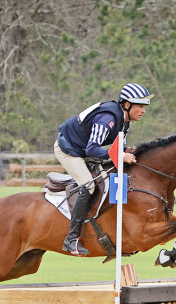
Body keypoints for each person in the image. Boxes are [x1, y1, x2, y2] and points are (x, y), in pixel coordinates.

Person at [55, 82, 154, 256]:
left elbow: (118, 149)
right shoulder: (107, 118)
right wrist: (122, 156)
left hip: (83, 149)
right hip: (69, 150)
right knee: (89, 185)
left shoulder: (125, 122)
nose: (144, 111)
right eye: (140, 106)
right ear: (127, 104)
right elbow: (92, 149)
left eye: (144, 107)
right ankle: (71, 239)